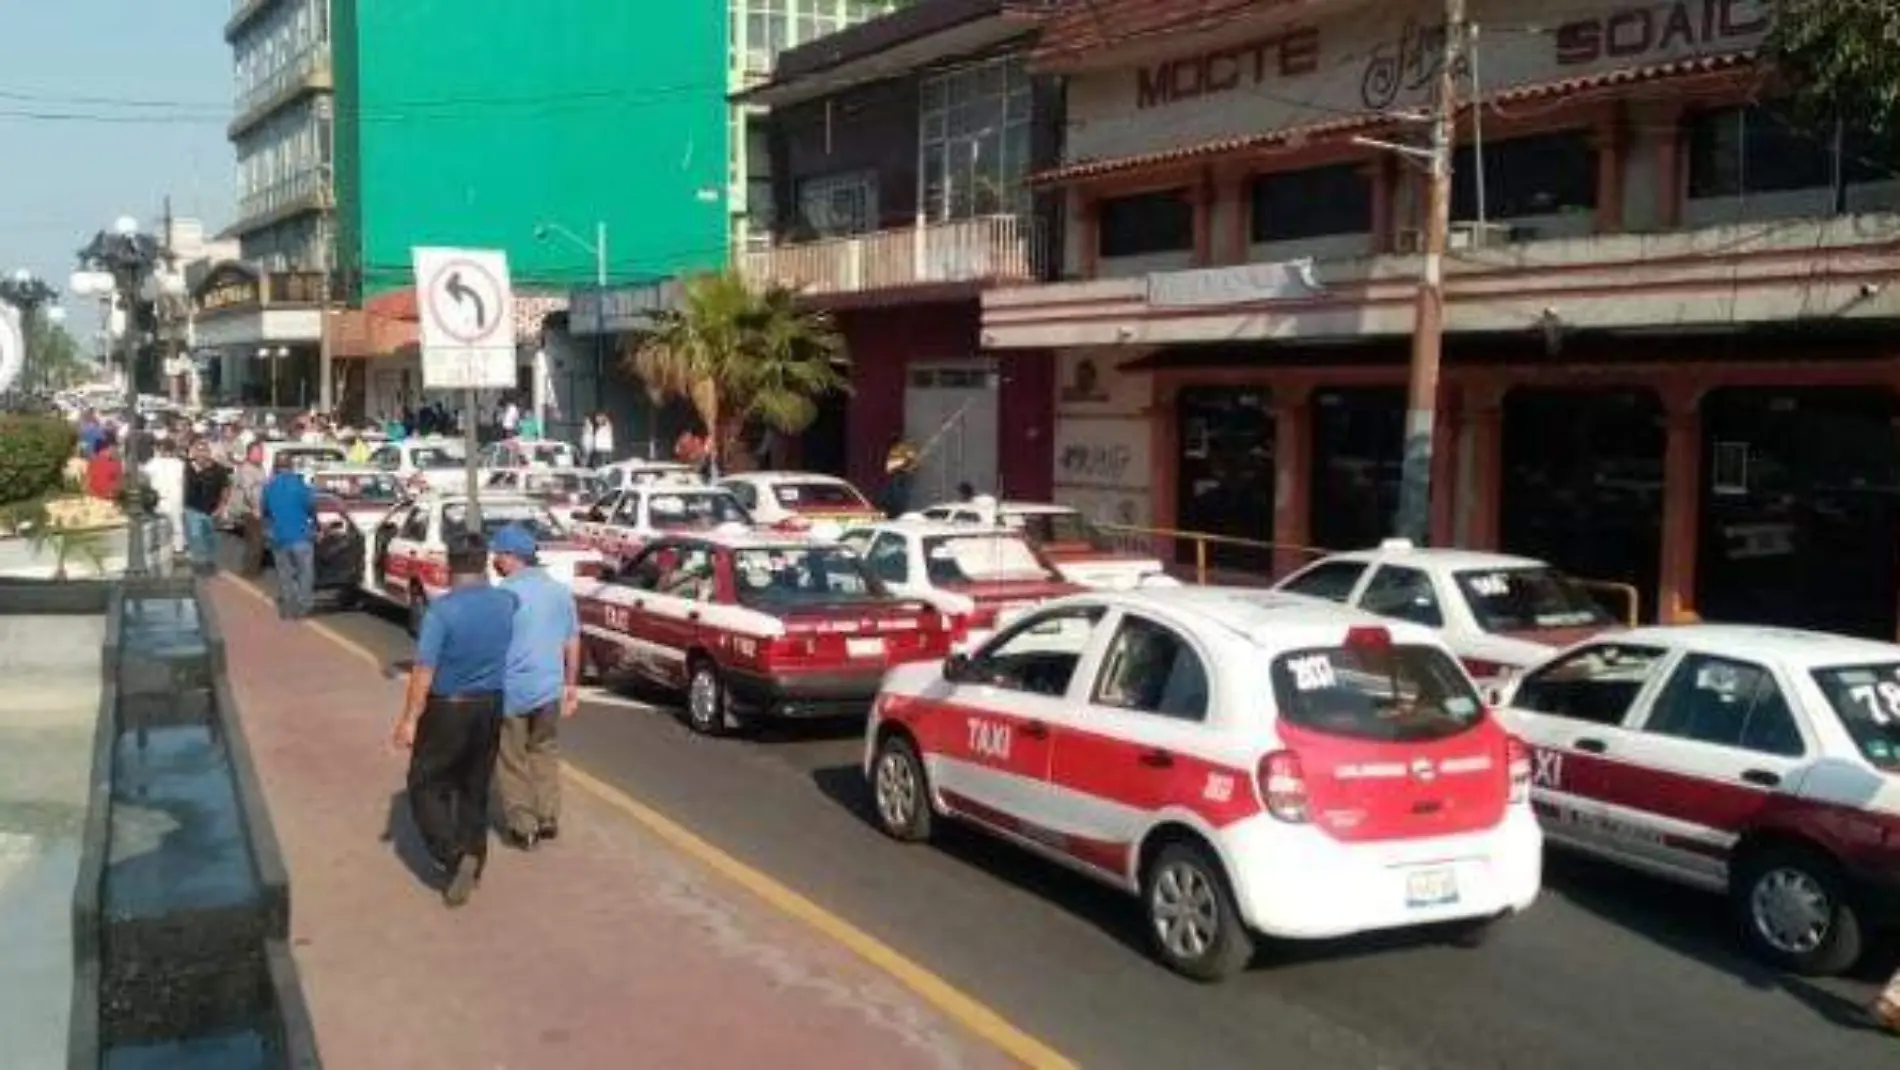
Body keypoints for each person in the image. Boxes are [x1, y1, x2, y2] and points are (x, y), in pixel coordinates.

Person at [388, 531, 516, 907]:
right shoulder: (506, 603)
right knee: (474, 785)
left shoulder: (442, 611)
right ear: (484, 562)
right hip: (491, 704)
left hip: (450, 707)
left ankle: (453, 854)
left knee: (424, 783)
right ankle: (475, 861)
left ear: (449, 566)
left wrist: (409, 719)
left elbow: (423, 671)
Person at [489, 524, 580, 850]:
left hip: (513, 689)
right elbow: (571, 641)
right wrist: (571, 685)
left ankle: (523, 824)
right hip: (549, 689)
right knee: (544, 749)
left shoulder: (503, 595)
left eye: (497, 554)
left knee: (512, 758)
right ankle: (548, 815)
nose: (494, 560)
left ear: (511, 557)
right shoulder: (559, 591)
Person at [260, 453, 318, 620]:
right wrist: (314, 523)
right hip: (301, 535)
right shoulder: (300, 485)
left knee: (285, 574)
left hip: (279, 536)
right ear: (291, 466)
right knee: (305, 573)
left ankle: (287, 606)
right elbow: (311, 505)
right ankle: (302, 606)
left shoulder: (269, 487)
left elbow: (265, 510)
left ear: (276, 467)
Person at [182, 440, 231, 574]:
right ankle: (200, 562)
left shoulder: (218, 469)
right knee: (196, 535)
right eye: (199, 451)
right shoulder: (187, 468)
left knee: (210, 537)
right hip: (192, 508)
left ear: (209, 453)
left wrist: (221, 506)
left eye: (204, 451)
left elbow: (225, 488)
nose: (201, 454)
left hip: (212, 509)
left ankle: (210, 560)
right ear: (194, 453)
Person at [143, 439, 188, 561]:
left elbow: (144, 478)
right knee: (176, 524)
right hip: (171, 498)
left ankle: (165, 548)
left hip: (163, 498)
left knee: (161, 524)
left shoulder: (152, 463)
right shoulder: (179, 463)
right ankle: (177, 549)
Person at [231, 442, 268, 577]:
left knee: (255, 542)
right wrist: (255, 508)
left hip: (259, 508)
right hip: (251, 510)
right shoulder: (247, 469)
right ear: (250, 453)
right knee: (255, 543)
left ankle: (252, 570)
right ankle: (249, 572)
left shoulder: (259, 468)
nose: (261, 455)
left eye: (261, 452)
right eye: (258, 452)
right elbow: (248, 491)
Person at [878, 439, 919, 519]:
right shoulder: (894, 479)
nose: (888, 462)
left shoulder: (902, 479)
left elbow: (898, 502)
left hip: (897, 515)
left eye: (893, 458)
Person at [85, 433, 123, 501]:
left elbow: (87, 481)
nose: (118, 450)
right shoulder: (115, 463)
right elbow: (118, 484)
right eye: (116, 447)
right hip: (108, 498)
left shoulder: (93, 461)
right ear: (111, 447)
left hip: (94, 499)